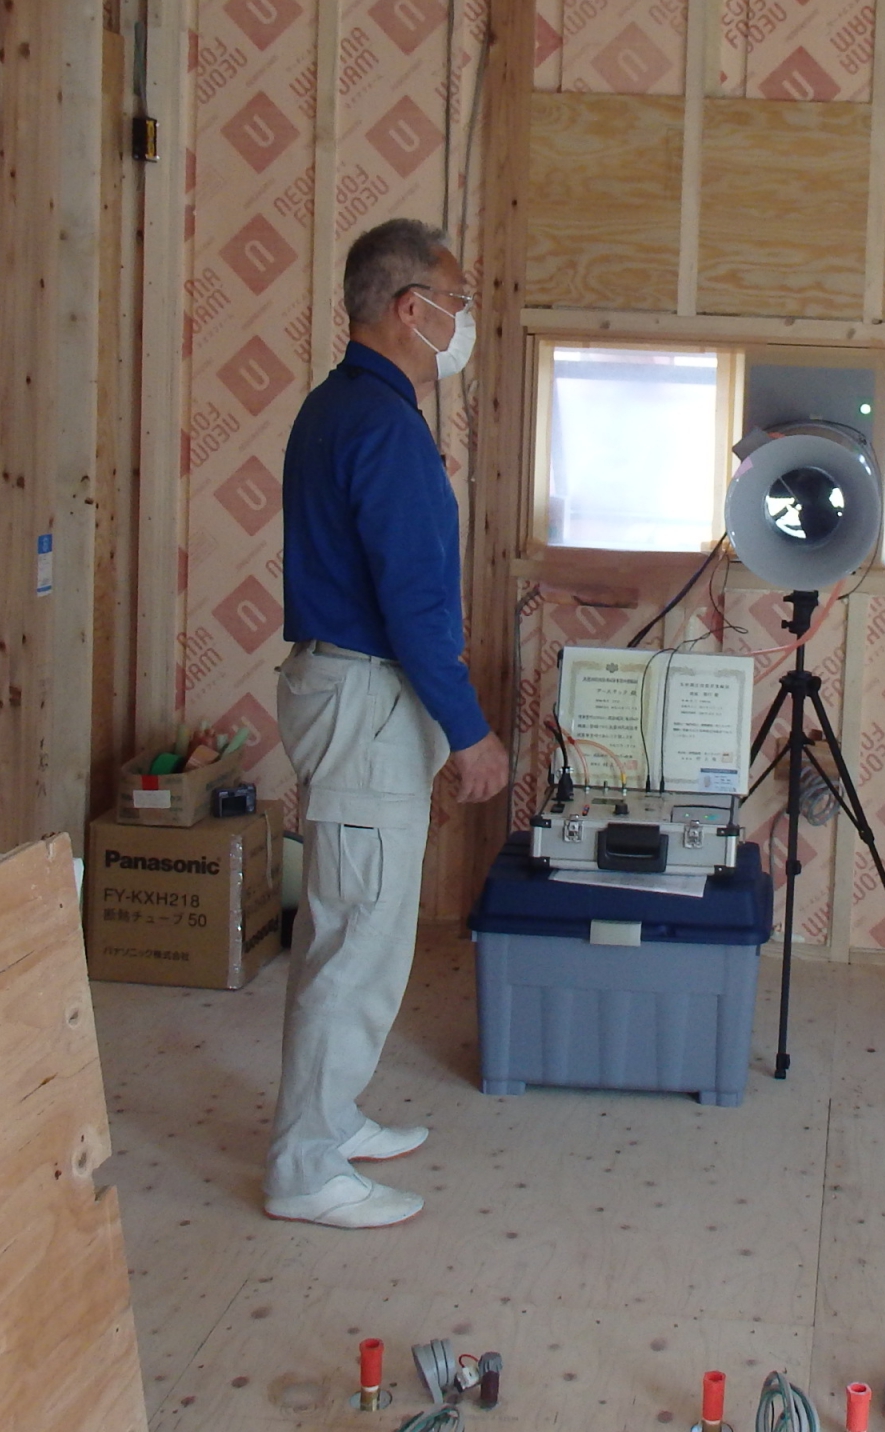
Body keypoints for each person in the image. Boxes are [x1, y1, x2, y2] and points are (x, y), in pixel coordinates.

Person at [265, 217, 509, 1230]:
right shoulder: (384, 427)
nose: (463, 320)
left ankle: (331, 1119)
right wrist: (471, 731)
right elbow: (415, 603)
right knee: (358, 939)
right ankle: (306, 1166)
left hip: (349, 691)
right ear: (412, 309)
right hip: (368, 699)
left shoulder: (343, 407)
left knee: (348, 925)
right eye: (456, 301)